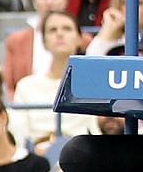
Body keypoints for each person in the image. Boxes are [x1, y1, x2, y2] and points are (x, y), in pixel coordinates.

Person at [11, 10, 95, 143]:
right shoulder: (26, 86)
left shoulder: (93, 86)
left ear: (80, 39)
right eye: (52, 30)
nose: (59, 34)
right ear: (44, 41)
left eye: (67, 29)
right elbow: (18, 134)